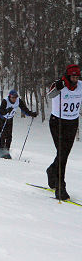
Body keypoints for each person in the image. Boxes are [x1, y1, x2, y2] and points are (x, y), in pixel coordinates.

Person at [46, 64, 82, 200]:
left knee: (64, 154)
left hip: (73, 123)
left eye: (77, 76)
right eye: (73, 76)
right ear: (68, 75)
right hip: (58, 122)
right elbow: (50, 96)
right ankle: (61, 187)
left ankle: (52, 170)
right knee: (62, 154)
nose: (75, 79)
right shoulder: (59, 84)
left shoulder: (80, 86)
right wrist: (58, 88)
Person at [0, 90, 37, 159]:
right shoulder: (5, 101)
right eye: (12, 97)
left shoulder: (18, 101)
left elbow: (24, 109)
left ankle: (6, 152)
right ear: (10, 96)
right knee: (3, 134)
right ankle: (2, 152)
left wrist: (31, 114)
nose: (14, 99)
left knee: (9, 136)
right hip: (1, 119)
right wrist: (7, 110)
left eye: (15, 97)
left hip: (9, 119)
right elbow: (1, 111)